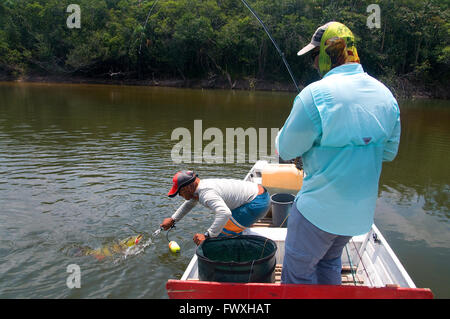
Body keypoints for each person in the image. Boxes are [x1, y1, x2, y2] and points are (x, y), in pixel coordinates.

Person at [276, 21, 401, 285]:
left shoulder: (316, 95)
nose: (313, 64)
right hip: (358, 216)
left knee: (298, 275)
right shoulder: (387, 96)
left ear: (327, 53)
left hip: (317, 213)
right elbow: (388, 153)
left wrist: (308, 151)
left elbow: (285, 149)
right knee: (330, 260)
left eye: (314, 56)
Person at [160, 170, 270, 245]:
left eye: (180, 192)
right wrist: (173, 219)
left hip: (256, 203)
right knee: (222, 227)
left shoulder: (206, 194)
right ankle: (238, 232)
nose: (180, 196)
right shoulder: (200, 187)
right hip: (259, 195)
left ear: (187, 188)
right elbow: (190, 203)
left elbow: (224, 213)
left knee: (219, 236)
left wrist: (208, 236)